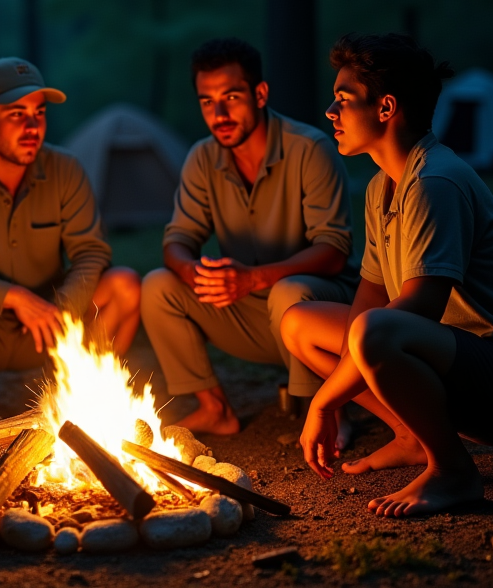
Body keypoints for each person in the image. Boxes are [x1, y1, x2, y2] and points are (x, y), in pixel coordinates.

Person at [282, 33, 493, 517]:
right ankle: (412, 434)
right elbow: (366, 307)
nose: (330, 112)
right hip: (453, 361)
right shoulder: (379, 188)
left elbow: (417, 310)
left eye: (343, 100)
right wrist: (331, 394)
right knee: (299, 322)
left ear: (386, 107)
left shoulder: (436, 181)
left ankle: (453, 471)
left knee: (376, 331)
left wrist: (324, 402)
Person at [0, 57, 141, 443]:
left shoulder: (66, 169)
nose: (32, 126)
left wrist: (64, 310)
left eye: (39, 113)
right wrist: (12, 297)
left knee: (126, 285)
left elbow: (92, 252)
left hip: (52, 322)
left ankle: (84, 401)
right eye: (16, 114)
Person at [140, 37, 358, 436]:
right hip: (249, 313)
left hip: (319, 308)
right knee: (158, 285)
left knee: (288, 291)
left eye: (231, 97)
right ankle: (215, 409)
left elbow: (334, 252)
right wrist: (192, 272)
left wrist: (253, 278)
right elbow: (176, 241)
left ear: (259, 94)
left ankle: (330, 410)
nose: (219, 113)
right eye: (207, 101)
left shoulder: (310, 149)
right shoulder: (202, 158)